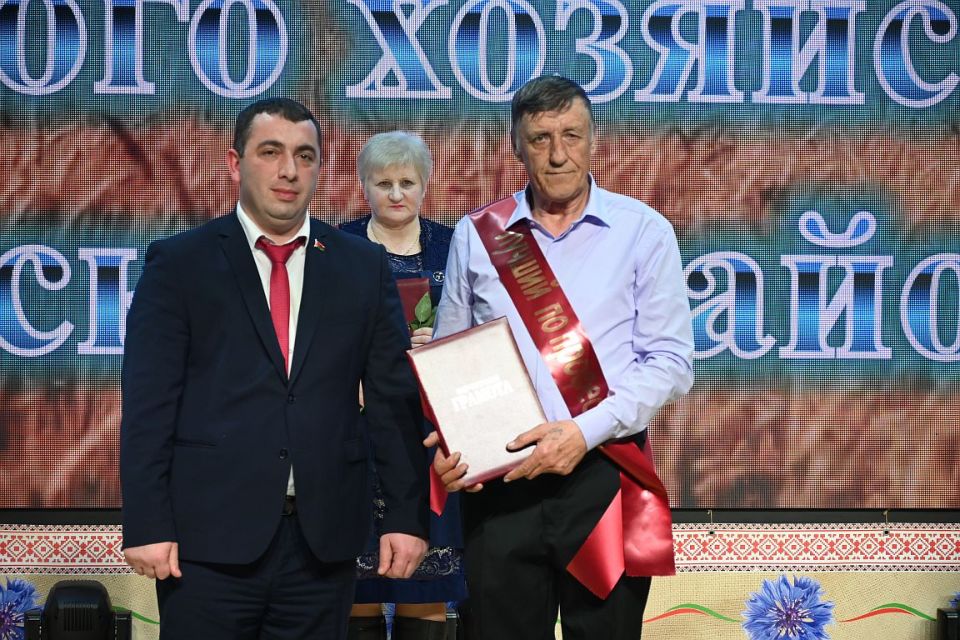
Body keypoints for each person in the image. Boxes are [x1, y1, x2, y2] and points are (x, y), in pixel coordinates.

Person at [120, 97, 429, 640]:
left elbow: (392, 404)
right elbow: (149, 405)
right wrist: (147, 522)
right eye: (271, 152)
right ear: (234, 163)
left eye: (305, 156)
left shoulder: (362, 266)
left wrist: (405, 517)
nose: (289, 170)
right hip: (206, 544)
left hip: (323, 544)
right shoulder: (180, 263)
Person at [427, 76, 695, 640]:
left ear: (594, 139)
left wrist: (582, 431)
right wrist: (453, 443)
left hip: (603, 475)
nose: (557, 154)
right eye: (540, 138)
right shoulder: (477, 234)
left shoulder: (642, 231)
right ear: (516, 147)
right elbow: (450, 361)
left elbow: (671, 363)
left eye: (571, 135)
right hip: (501, 482)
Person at [340, 131, 466, 640]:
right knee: (358, 588)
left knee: (425, 587)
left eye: (407, 183)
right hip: (356, 432)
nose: (396, 194)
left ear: (425, 185)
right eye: (383, 183)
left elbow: (487, 328)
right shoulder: (337, 246)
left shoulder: (456, 246)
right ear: (364, 187)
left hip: (436, 433)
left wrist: (446, 340)